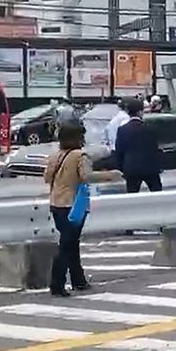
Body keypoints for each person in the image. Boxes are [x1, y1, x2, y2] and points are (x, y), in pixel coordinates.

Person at [43, 120, 121, 297]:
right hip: (73, 204)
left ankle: (79, 280)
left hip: (56, 203)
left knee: (70, 242)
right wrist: (111, 175)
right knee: (68, 245)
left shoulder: (55, 155)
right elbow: (86, 176)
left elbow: (47, 177)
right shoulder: (80, 156)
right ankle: (57, 284)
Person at [113, 99, 163, 193]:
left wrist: (121, 168)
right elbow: (155, 148)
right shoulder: (150, 128)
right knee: (157, 193)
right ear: (140, 112)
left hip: (131, 168)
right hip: (150, 168)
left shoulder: (122, 130)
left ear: (128, 112)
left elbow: (119, 151)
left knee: (132, 196)